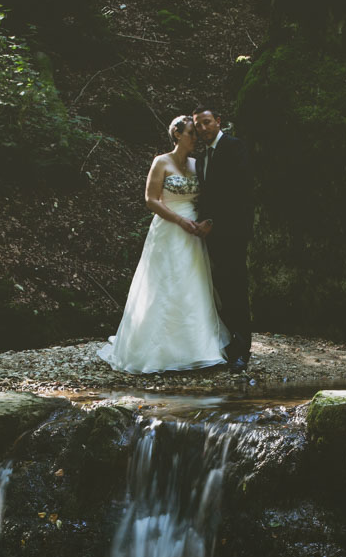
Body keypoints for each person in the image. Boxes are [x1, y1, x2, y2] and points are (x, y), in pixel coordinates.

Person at [97, 115, 229, 374]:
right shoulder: (161, 162)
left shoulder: (197, 163)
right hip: (169, 228)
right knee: (164, 283)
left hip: (194, 232)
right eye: (192, 132)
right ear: (178, 134)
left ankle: (198, 347)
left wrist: (205, 221)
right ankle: (157, 349)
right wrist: (179, 220)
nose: (196, 137)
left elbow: (209, 196)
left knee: (194, 284)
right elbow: (151, 199)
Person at [192, 106, 253, 373]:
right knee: (220, 290)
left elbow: (239, 190)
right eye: (198, 126)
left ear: (218, 121)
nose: (203, 129)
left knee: (236, 287)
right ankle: (228, 343)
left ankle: (243, 350)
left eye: (207, 122)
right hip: (210, 235)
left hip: (233, 232)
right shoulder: (202, 156)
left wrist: (214, 221)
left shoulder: (234, 147)